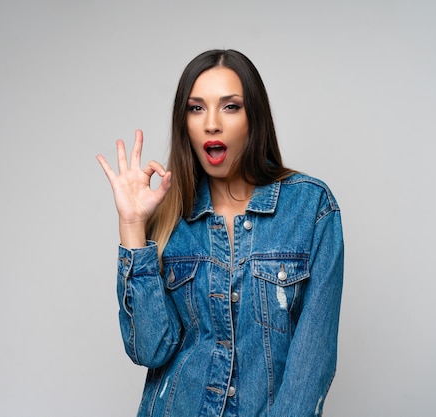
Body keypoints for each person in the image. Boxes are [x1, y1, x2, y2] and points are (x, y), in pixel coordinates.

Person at [96, 49, 344, 417]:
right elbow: (149, 350)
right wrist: (133, 225)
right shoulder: (168, 213)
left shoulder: (310, 208)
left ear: (254, 118)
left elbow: (312, 362)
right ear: (184, 124)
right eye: (196, 108)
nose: (211, 123)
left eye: (230, 106)